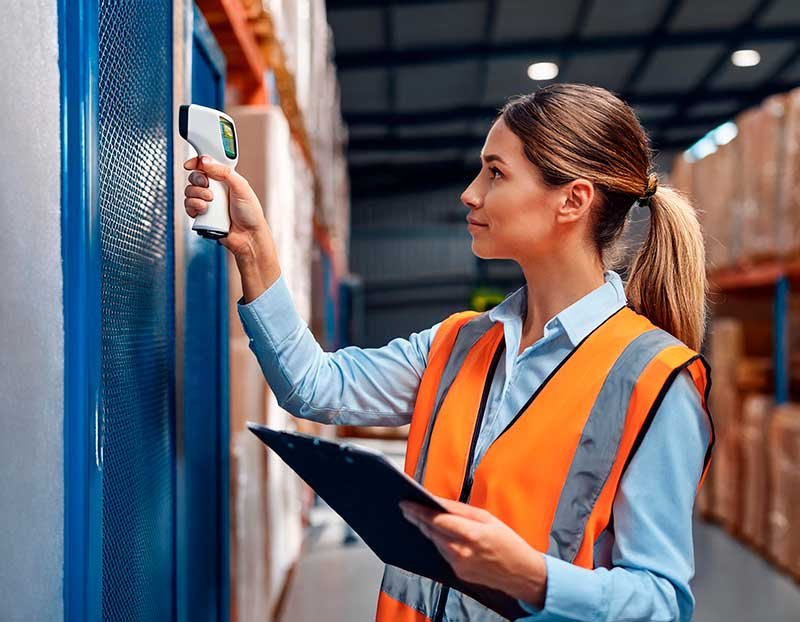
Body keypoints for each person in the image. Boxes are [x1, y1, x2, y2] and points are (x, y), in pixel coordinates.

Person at [182, 83, 714, 622]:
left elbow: (660, 603)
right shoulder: (461, 342)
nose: (470, 192)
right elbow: (315, 387)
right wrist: (253, 248)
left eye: (495, 172)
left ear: (572, 200)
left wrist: (529, 576)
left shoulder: (656, 381)